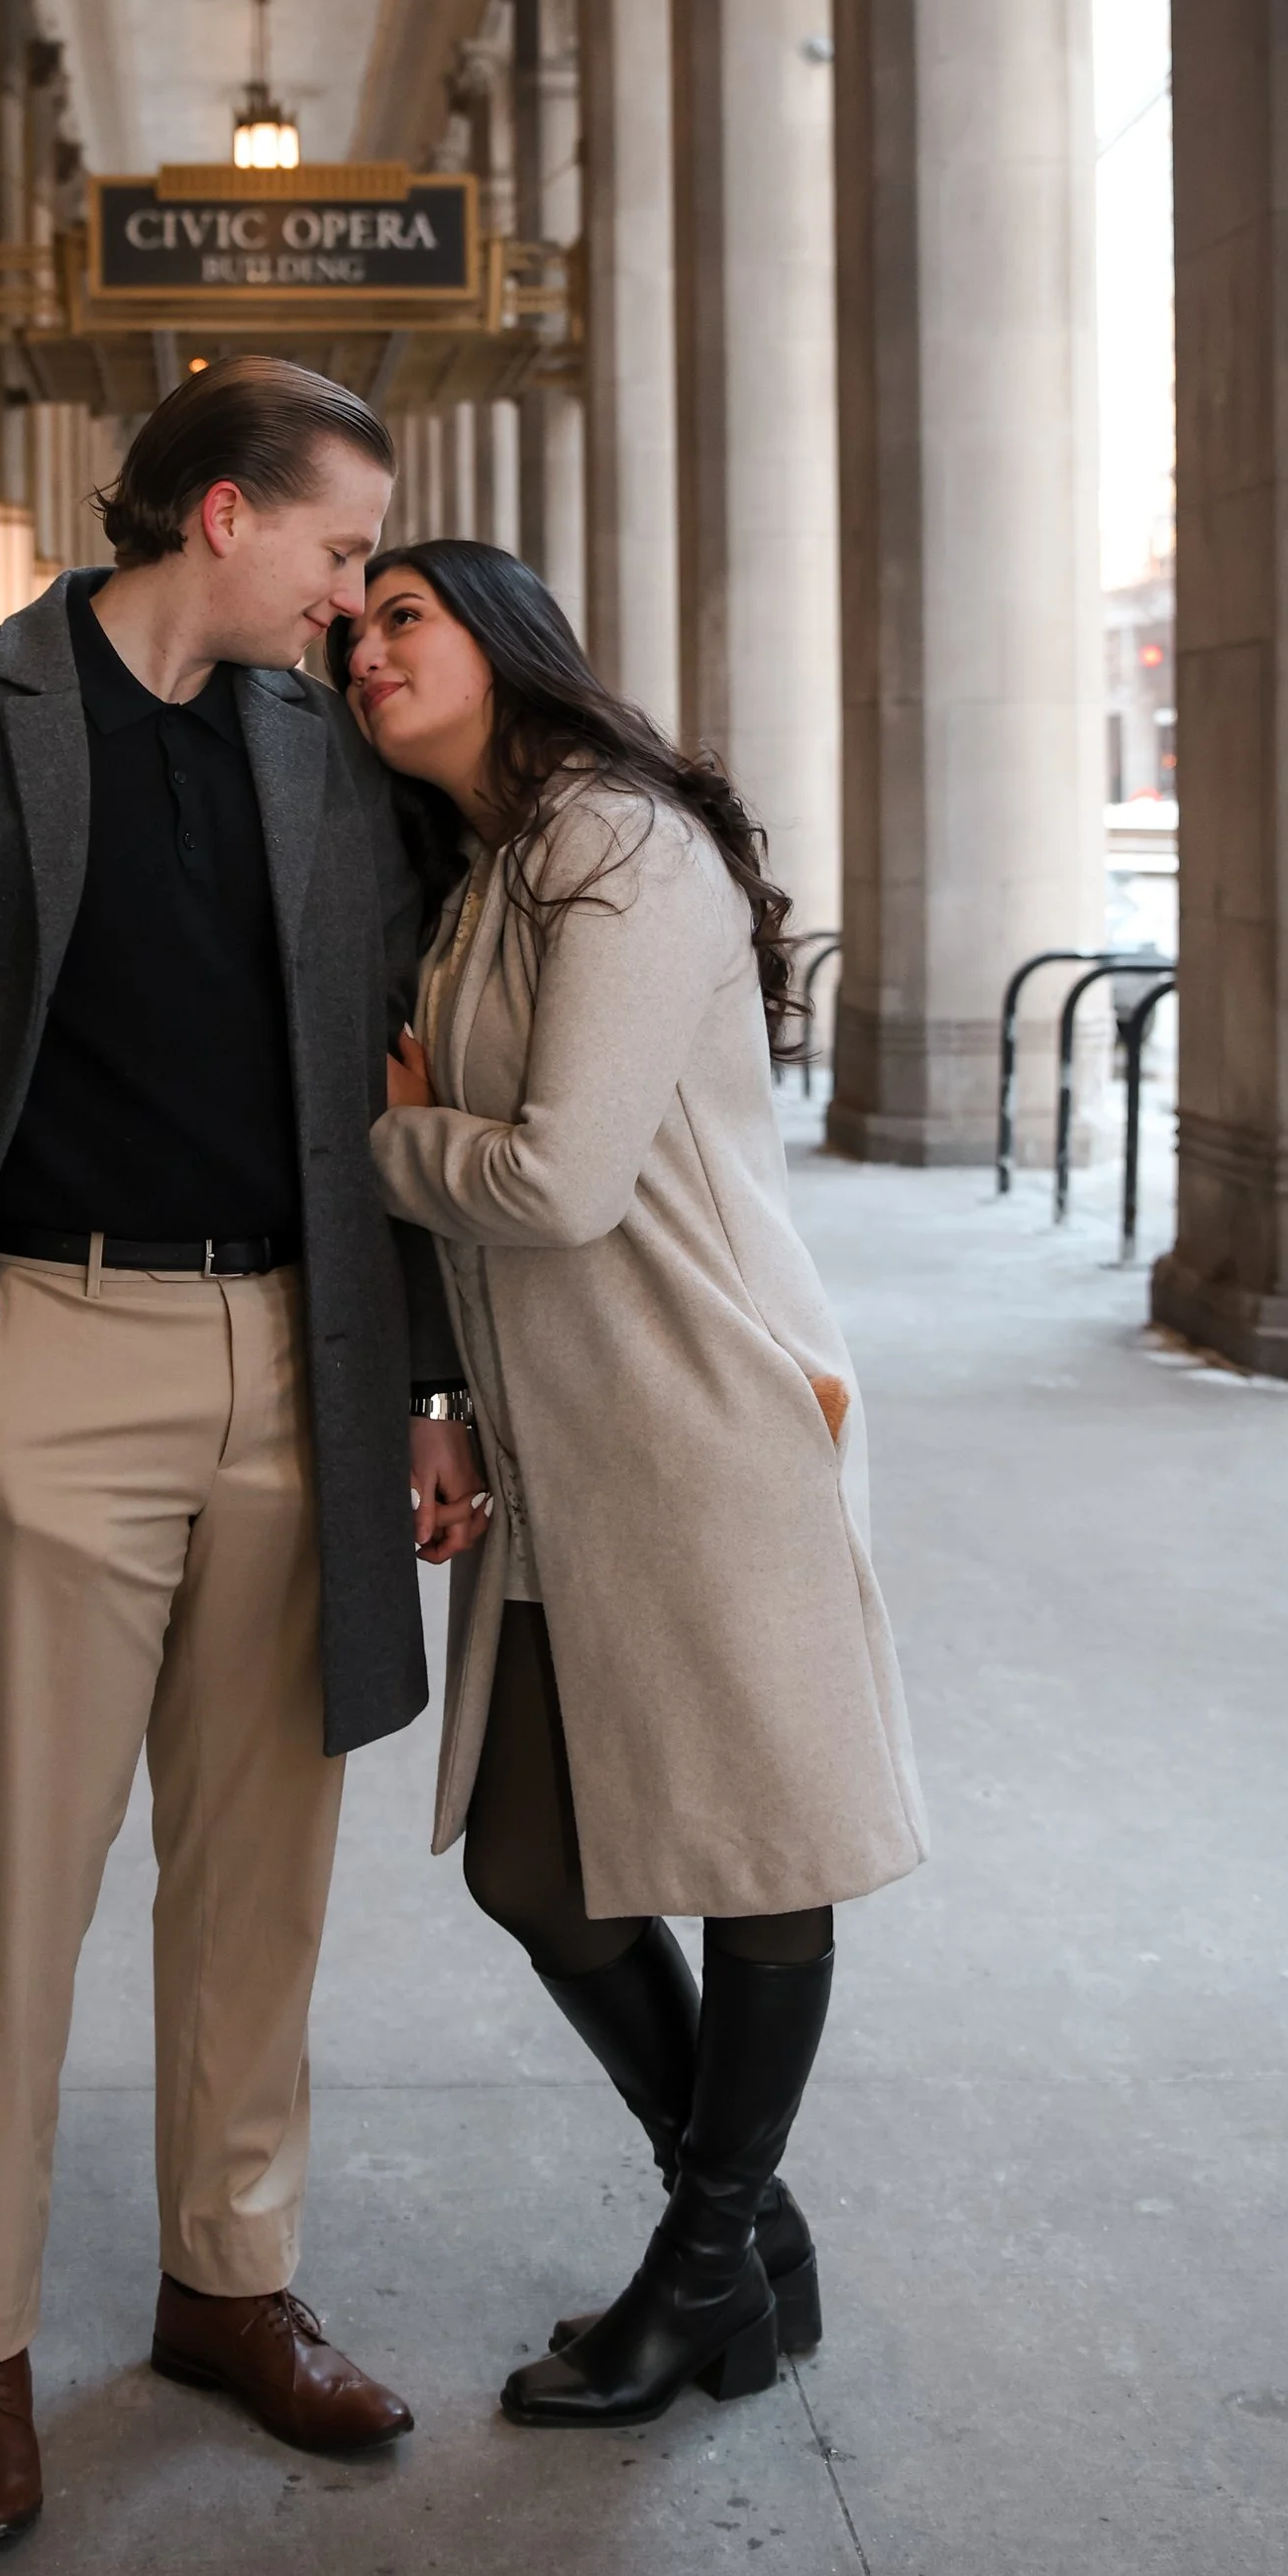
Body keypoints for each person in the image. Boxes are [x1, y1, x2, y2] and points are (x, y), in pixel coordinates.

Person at [0, 362, 485, 2554]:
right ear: (214, 517)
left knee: (262, 1875)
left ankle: (224, 2283)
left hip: (300, 1353)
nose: (356, 598)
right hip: (45, 1352)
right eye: (338, 546)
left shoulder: (320, 756)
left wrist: (428, 1381)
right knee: (26, 1879)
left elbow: (396, 1074)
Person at [336, 538, 924, 2429]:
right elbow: (495, 1180)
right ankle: (754, 2237)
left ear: (508, 643)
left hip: (698, 1413)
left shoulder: (622, 846)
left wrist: (385, 1142)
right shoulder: (490, 877)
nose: (364, 647)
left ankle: (698, 2268)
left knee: (757, 1852)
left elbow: (555, 1182)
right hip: (546, 1438)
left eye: (402, 614)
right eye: (349, 625)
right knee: (533, 1862)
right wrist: (440, 1378)